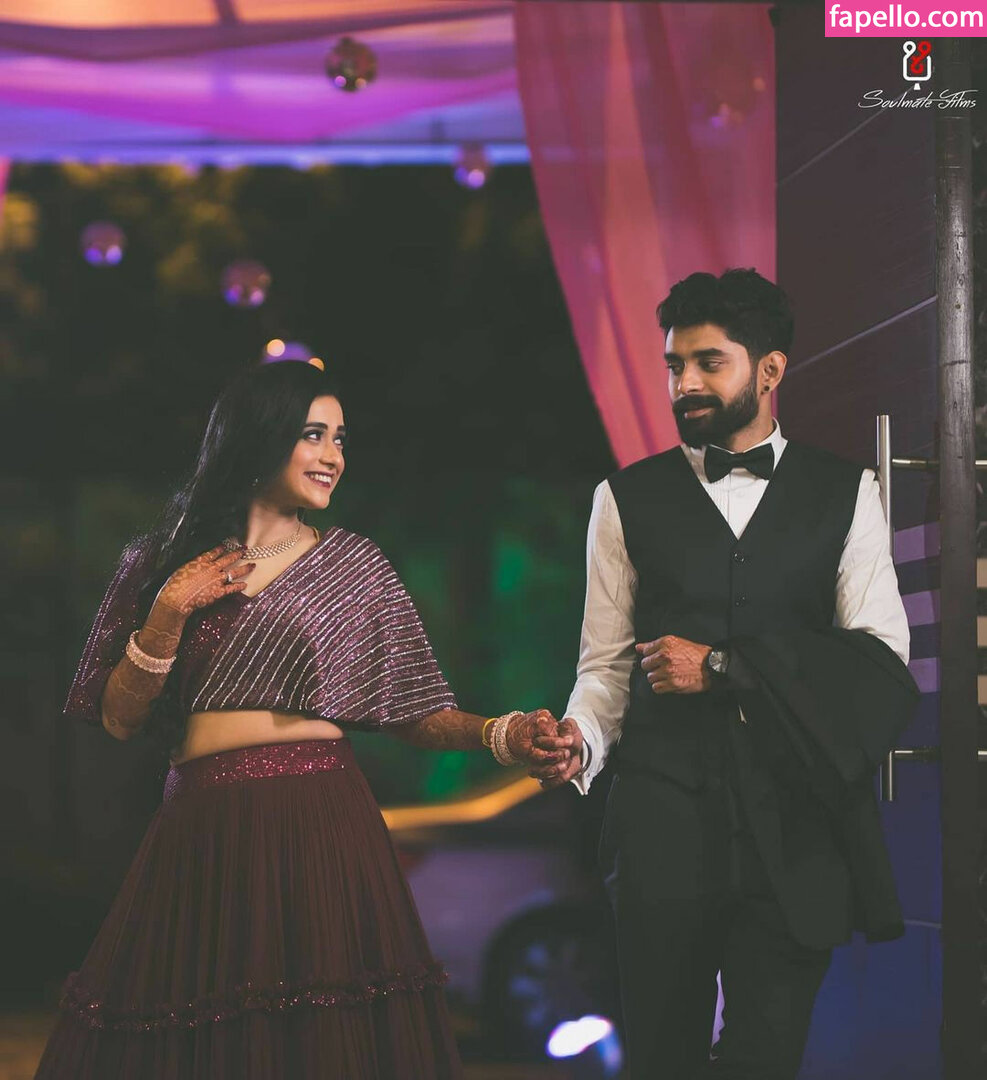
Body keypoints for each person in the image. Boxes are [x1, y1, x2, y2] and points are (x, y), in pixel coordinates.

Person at [36, 358, 562, 1080]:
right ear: (259, 435)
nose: (332, 455)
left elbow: (411, 709)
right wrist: (166, 613)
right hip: (202, 830)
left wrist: (502, 733)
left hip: (320, 822)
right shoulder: (160, 561)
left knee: (318, 1039)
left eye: (340, 439)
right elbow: (120, 720)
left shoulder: (355, 568)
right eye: (313, 434)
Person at [531, 269, 918, 1079]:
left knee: (764, 1059)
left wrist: (723, 667)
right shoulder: (623, 498)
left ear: (769, 370)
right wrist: (579, 739)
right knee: (661, 1061)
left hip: (795, 829)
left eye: (709, 362)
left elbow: (880, 661)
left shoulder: (847, 492)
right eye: (674, 365)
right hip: (661, 822)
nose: (685, 383)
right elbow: (604, 668)